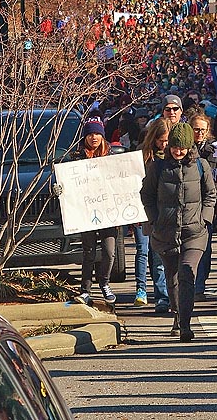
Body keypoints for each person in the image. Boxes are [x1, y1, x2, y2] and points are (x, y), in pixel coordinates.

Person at [140, 122, 217, 342]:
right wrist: (155, 219)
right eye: (174, 146)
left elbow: (210, 194)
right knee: (171, 277)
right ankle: (177, 315)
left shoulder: (201, 166)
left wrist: (205, 219)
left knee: (186, 272)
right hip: (165, 232)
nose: (178, 151)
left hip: (194, 232)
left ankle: (185, 324)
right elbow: (146, 195)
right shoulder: (157, 167)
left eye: (182, 147)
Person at [68, 114, 120, 306]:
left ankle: (104, 283)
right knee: (88, 251)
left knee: (108, 251)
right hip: (86, 211)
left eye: (97, 134)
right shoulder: (76, 157)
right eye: (90, 135)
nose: (94, 138)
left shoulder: (112, 157)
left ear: (102, 136)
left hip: (109, 211)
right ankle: (85, 290)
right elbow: (69, 182)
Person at [133, 119, 172, 313]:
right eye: (160, 141)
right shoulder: (143, 155)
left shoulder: (175, 154)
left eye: (166, 141)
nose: (163, 145)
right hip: (148, 211)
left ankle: (167, 295)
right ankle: (160, 296)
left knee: (164, 256)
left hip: (169, 211)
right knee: (150, 254)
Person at [189, 114, 216, 302]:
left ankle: (199, 286)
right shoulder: (183, 149)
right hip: (188, 206)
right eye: (196, 129)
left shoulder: (214, 150)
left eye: (203, 130)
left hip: (205, 207)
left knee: (205, 250)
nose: (199, 133)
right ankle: (189, 285)